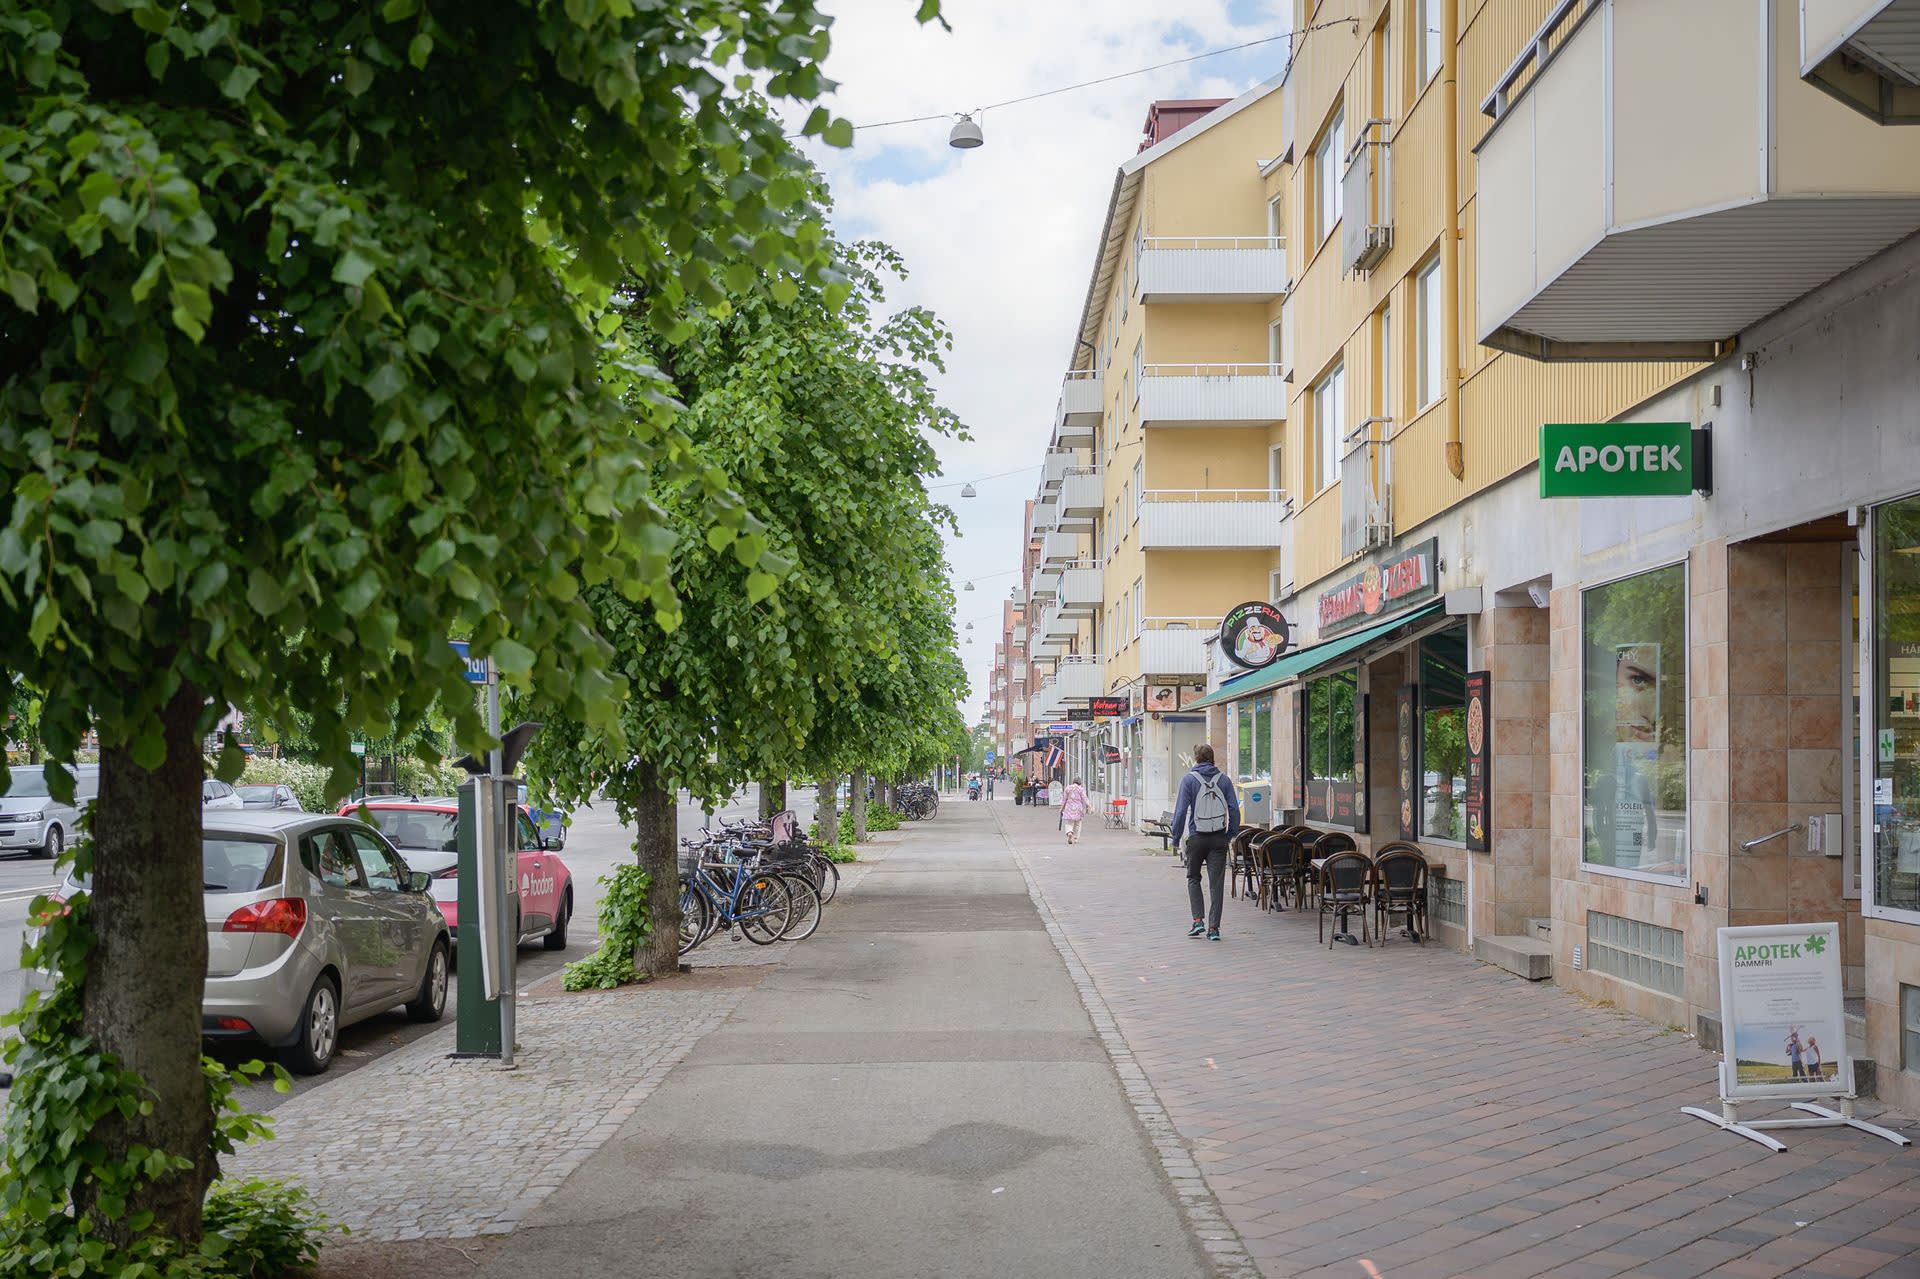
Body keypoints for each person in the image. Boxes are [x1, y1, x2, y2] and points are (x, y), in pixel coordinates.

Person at [1170, 743, 1239, 941]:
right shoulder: (1224, 780)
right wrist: (1230, 834)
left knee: (1193, 878)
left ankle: (1197, 920)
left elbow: (1181, 811)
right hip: (1218, 838)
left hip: (1197, 838)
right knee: (1216, 884)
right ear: (1212, 758)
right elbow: (1234, 809)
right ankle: (1214, 929)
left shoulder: (1189, 780)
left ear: (1196, 758)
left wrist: (1176, 838)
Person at [1061, 777, 1090, 843]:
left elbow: (1064, 799)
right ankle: (1075, 838)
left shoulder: (1068, 788)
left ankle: (1069, 832)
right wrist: (1089, 806)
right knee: (1078, 824)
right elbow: (1085, 798)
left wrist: (1061, 808)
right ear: (1080, 783)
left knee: (1069, 823)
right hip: (1078, 808)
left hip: (1069, 807)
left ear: (1073, 781)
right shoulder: (1081, 789)